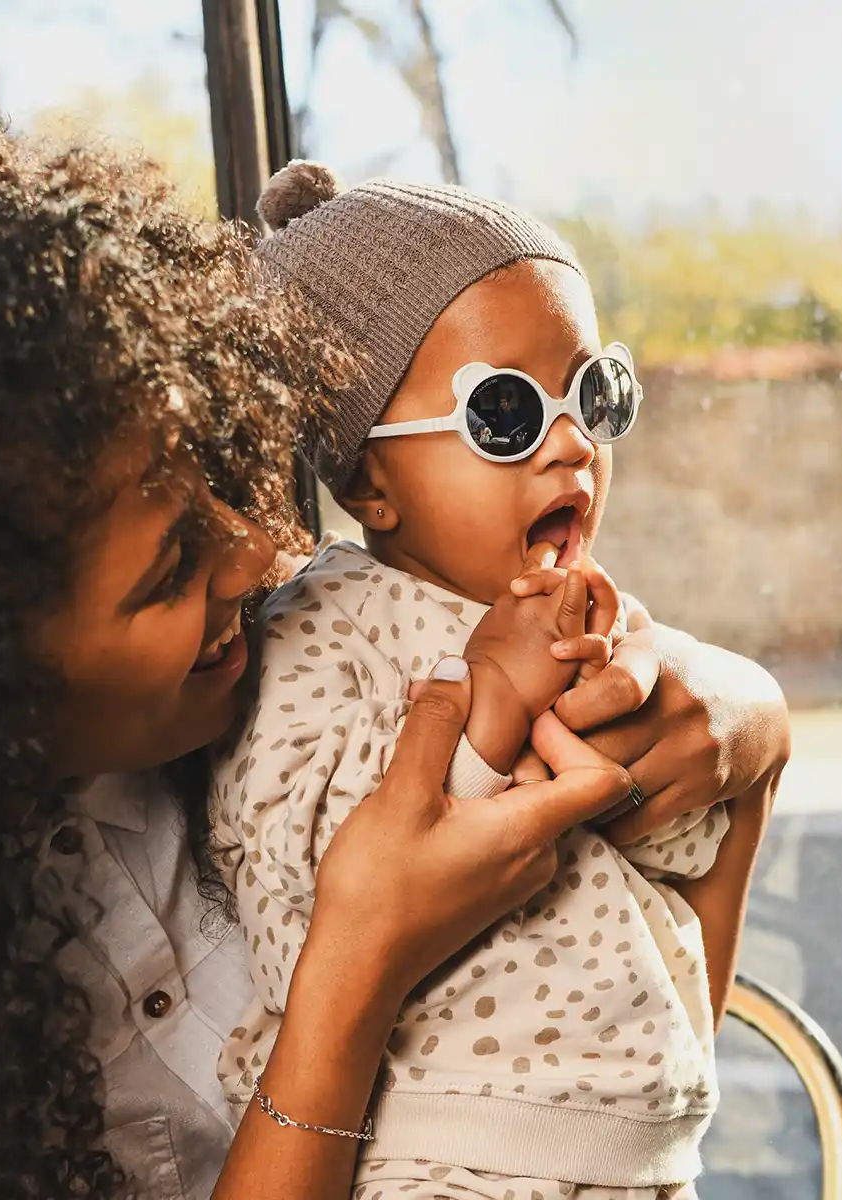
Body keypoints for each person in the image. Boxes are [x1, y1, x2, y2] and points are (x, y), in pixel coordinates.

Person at [0, 137, 789, 1200]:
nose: (258, 553)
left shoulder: (250, 685)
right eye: (170, 571)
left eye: (222, 487)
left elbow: (637, 1039)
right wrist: (354, 972)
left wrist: (753, 728)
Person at [212, 164, 756, 1200]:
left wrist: (679, 765)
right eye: (506, 414)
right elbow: (304, 862)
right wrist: (490, 713)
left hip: (640, 1155)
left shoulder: (604, 624)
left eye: (596, 396)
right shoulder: (320, 626)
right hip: (446, 1155)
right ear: (370, 481)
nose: (572, 445)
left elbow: (683, 847)